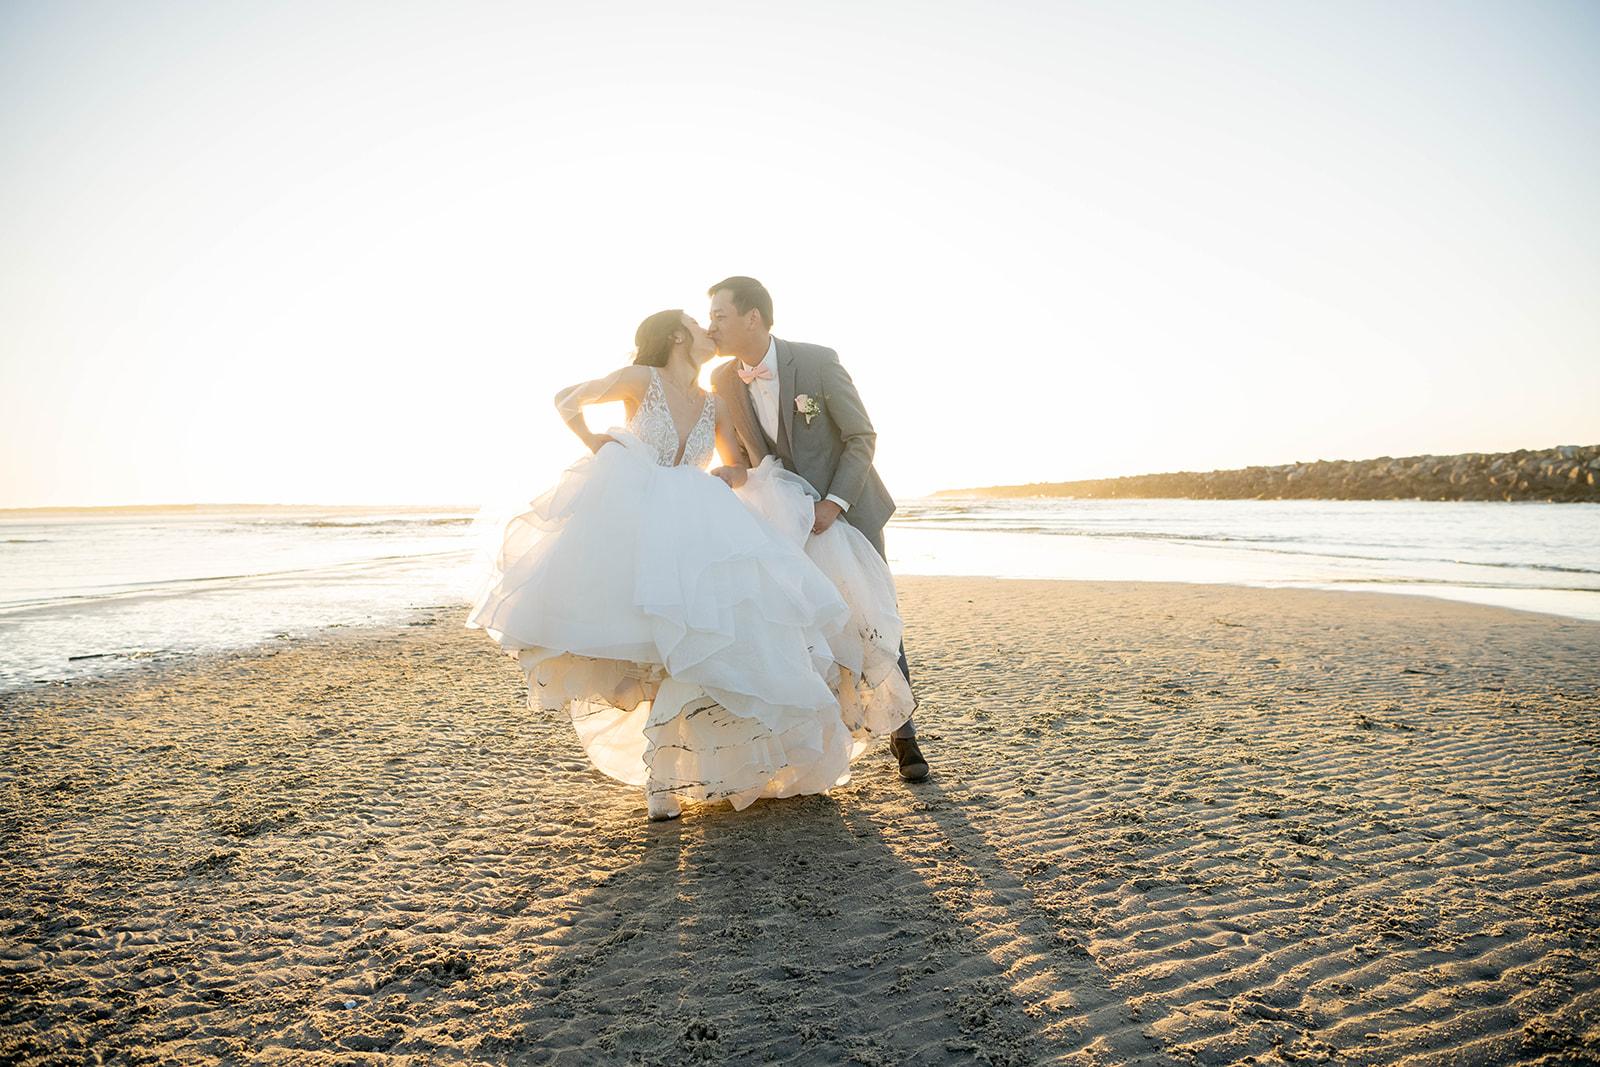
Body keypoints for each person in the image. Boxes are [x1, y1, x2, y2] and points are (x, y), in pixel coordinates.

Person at [468, 309, 912, 822]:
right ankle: (659, 784)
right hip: (640, 516)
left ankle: (666, 774)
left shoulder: (716, 401)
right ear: (677, 336)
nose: (708, 329)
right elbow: (567, 397)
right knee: (654, 648)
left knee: (692, 649)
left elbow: (736, 464)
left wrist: (736, 473)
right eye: (698, 324)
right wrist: (595, 442)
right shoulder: (642, 380)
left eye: (714, 318)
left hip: (698, 521)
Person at [707, 276, 931, 781]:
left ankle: (905, 738)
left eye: (720, 315)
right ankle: (820, 745)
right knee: (802, 626)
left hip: (846, 513)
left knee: (873, 617)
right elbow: (746, 459)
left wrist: (833, 502)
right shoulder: (722, 381)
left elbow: (860, 436)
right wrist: (737, 474)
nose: (711, 326)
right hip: (783, 521)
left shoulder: (817, 360)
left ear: (753, 318)